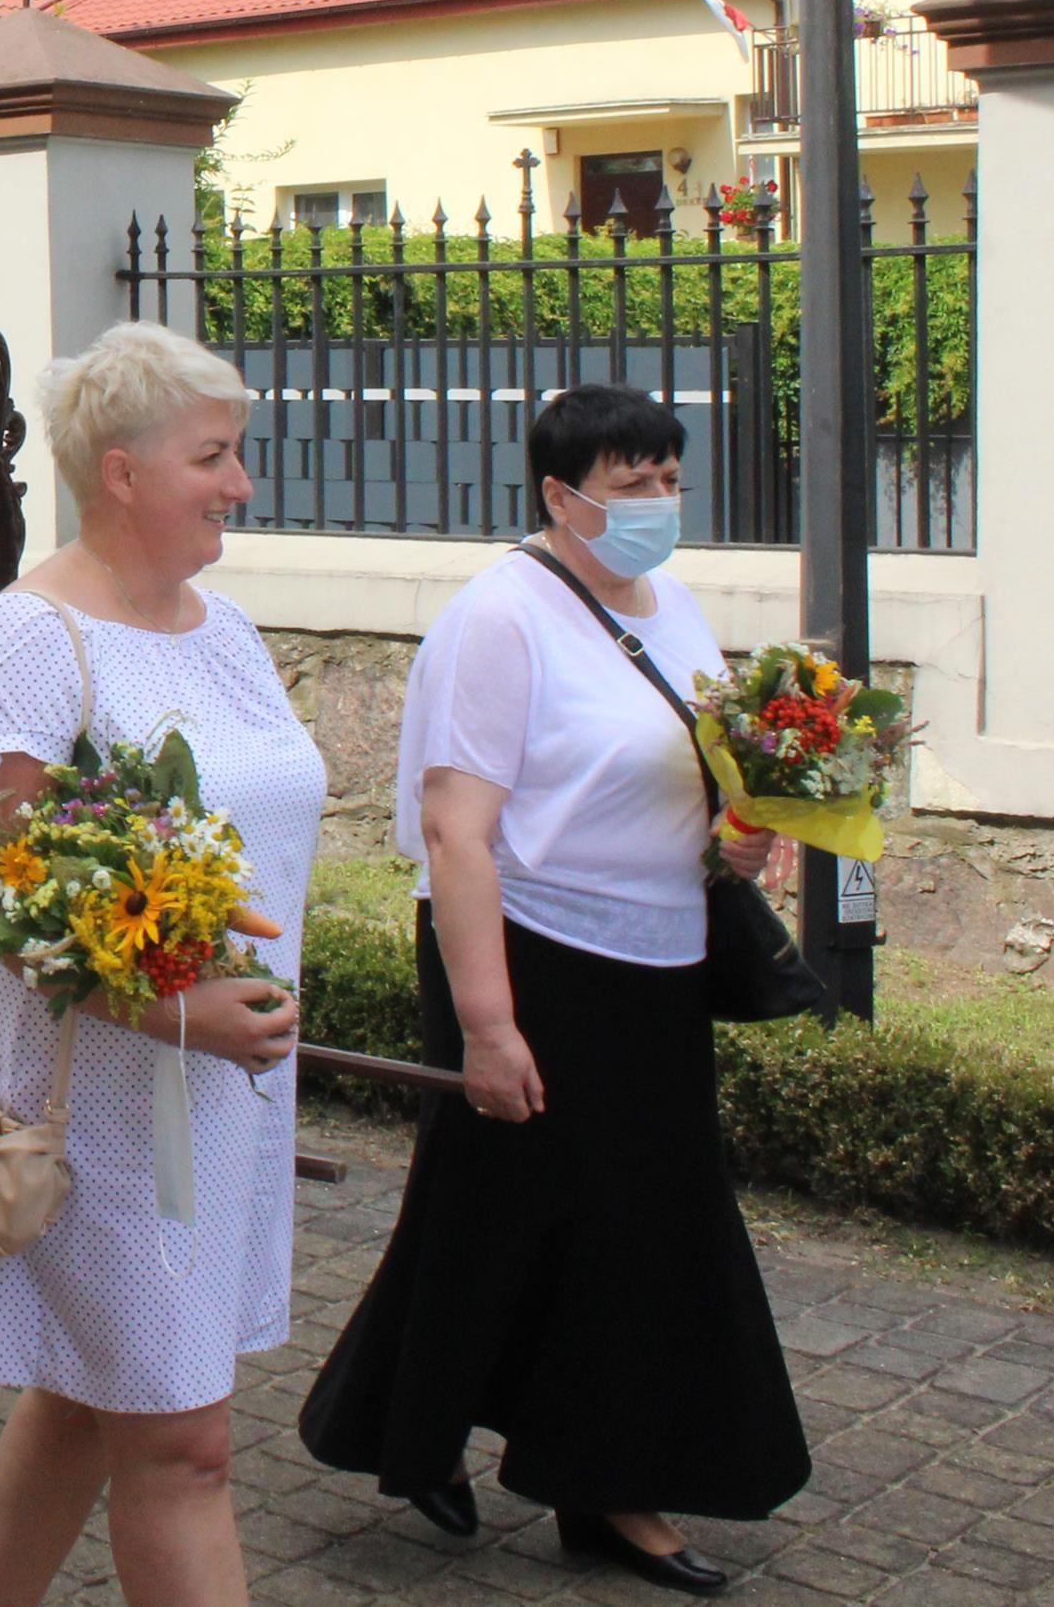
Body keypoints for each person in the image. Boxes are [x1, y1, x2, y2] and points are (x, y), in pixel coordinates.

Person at [299, 385, 806, 1593]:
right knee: (532, 1213)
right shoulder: (500, 618)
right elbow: (455, 828)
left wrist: (737, 840)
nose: (658, 506)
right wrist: (486, 1023)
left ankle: (444, 1439)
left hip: (657, 956)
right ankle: (599, 1486)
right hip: (530, 953)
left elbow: (689, 770)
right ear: (559, 495)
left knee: (592, 1222)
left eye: (670, 480)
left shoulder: (673, 604)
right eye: (632, 486)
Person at [0, 324, 315, 1607]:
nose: (240, 482)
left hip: (217, 1091)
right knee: (180, 1439)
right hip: (97, 1084)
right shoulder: (29, 640)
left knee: (99, 1395)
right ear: (121, 473)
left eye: (236, 453)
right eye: (214, 455)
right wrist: (163, 1003)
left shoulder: (226, 630)